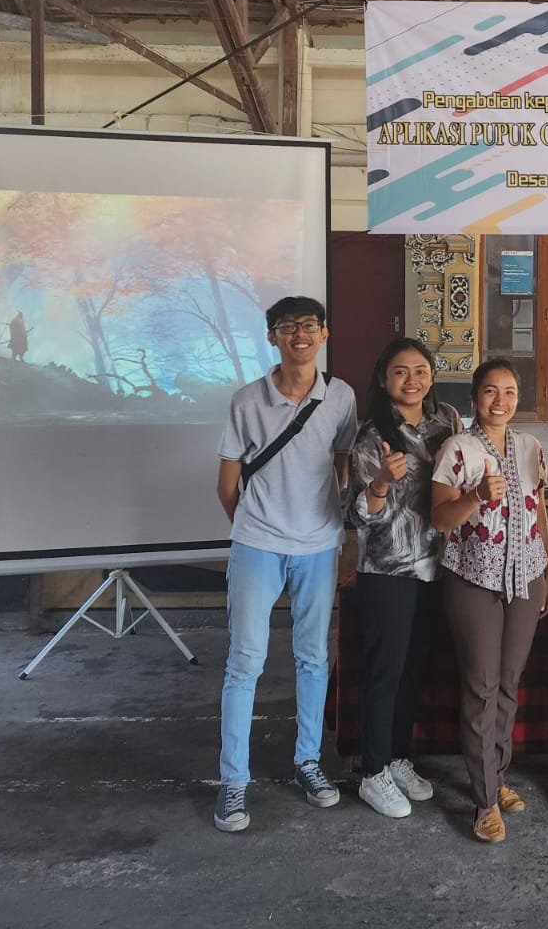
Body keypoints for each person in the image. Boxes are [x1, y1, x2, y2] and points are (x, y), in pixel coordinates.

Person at [213, 296, 358, 833]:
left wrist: (326, 525)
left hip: (318, 545)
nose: (300, 335)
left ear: (324, 333)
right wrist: (258, 527)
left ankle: (308, 761)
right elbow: (227, 485)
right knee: (245, 661)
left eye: (309, 325)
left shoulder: (340, 396)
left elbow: (341, 464)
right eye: (287, 327)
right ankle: (233, 780)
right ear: (272, 337)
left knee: (313, 658)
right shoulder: (247, 400)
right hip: (258, 544)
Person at [430, 358, 548, 844]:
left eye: (509, 392)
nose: (499, 401)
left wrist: (547, 570)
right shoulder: (457, 448)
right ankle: (484, 801)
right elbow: (440, 519)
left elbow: (538, 511)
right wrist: (477, 495)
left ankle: (497, 775)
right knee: (481, 686)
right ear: (474, 397)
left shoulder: (529, 446)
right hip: (473, 578)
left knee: (508, 682)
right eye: (489, 391)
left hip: (525, 577)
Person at [348, 338, 461, 818]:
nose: (411, 380)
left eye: (420, 370)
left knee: (414, 667)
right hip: (388, 569)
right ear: (383, 379)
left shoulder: (447, 422)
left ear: (431, 376)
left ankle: (397, 757)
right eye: (400, 371)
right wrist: (380, 484)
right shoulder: (372, 436)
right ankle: (372, 771)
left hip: (436, 565)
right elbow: (358, 515)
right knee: (386, 670)